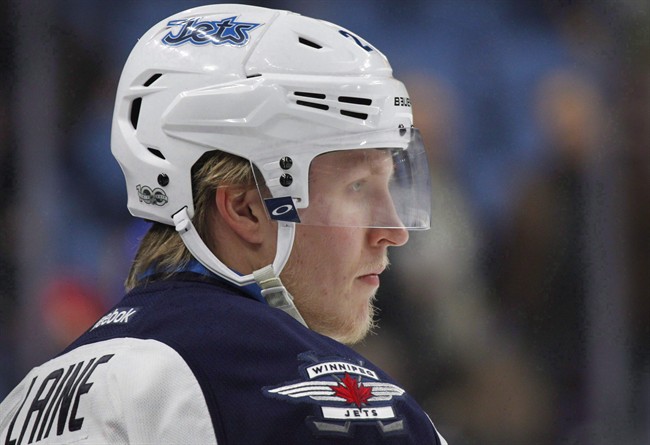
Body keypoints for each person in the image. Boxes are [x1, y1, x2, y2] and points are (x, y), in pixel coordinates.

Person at [0, 4, 447, 444]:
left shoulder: (25, 400)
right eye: (357, 188)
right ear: (246, 208)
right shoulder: (331, 404)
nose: (393, 231)